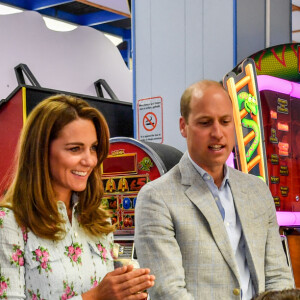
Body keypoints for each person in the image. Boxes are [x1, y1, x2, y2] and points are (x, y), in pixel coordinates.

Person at [134, 80, 294, 299]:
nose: (218, 133)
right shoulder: (156, 197)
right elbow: (168, 292)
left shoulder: (257, 190)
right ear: (183, 126)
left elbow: (278, 276)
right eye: (205, 122)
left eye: (225, 121)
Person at [0, 94, 155, 299]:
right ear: (40, 151)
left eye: (93, 147)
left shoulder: (98, 218)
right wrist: (95, 297)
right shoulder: (10, 222)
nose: (90, 160)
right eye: (75, 149)